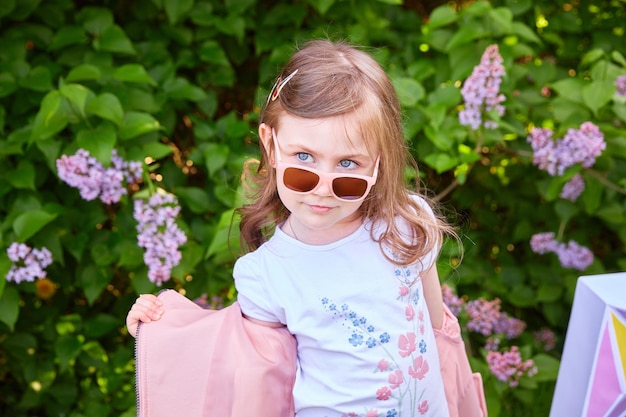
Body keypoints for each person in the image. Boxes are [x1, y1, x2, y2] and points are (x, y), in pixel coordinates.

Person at [127, 39, 461, 417]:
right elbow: (246, 377)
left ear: (378, 163)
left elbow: (440, 336)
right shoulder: (267, 273)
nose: (322, 187)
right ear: (271, 145)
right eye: (304, 158)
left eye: (348, 164)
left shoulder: (405, 224)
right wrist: (159, 331)